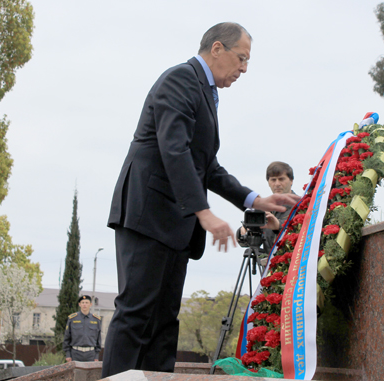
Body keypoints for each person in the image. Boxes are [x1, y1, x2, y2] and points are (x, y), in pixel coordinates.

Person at [102, 22, 299, 377]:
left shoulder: (208, 94)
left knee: (165, 321)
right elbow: (173, 150)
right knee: (135, 313)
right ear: (218, 49)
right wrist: (203, 212)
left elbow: (207, 167)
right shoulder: (179, 79)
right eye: (241, 58)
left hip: (175, 224)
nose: (243, 69)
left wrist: (254, 200)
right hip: (149, 214)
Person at [63, 295, 102, 362]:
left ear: (90, 304)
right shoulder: (72, 319)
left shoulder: (96, 320)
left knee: (90, 373)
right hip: (75, 353)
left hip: (91, 354)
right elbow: (67, 337)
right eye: (83, 302)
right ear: (79, 304)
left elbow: (98, 338)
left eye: (87, 303)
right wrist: (68, 354)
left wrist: (96, 356)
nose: (84, 305)